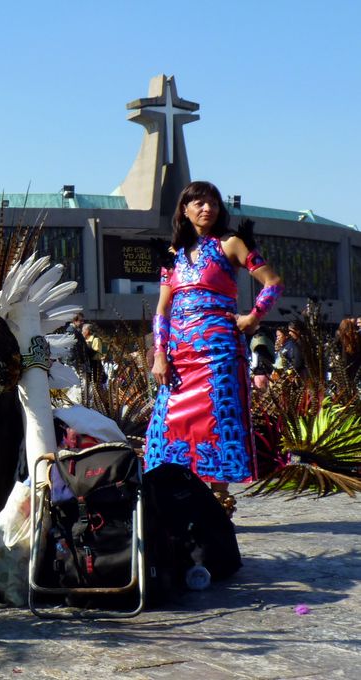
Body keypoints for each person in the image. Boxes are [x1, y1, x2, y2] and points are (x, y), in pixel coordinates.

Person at [145, 181, 283, 517]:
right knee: (166, 425)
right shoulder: (171, 255)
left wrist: (253, 317)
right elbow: (162, 310)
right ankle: (176, 499)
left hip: (219, 354)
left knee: (217, 423)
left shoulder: (230, 244)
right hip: (178, 356)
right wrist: (160, 353)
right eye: (199, 203)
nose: (207, 209)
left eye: (213, 203)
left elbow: (273, 283)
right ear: (185, 209)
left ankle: (220, 509)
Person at [332, 317, 361, 385]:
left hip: (344, 363)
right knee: (354, 383)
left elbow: (334, 348)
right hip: (355, 363)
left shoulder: (340, 335)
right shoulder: (357, 335)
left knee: (344, 384)